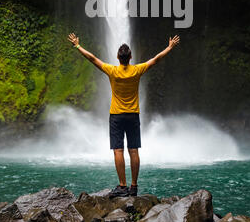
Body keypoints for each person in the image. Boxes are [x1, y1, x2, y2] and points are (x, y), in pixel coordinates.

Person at [67, 32, 180, 197]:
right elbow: (156, 59)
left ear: (118, 57)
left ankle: (122, 186)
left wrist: (77, 45)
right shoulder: (137, 70)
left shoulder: (112, 71)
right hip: (133, 115)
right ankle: (134, 187)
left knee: (118, 150)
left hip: (116, 116)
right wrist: (169, 47)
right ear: (131, 57)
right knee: (133, 150)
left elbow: (92, 58)